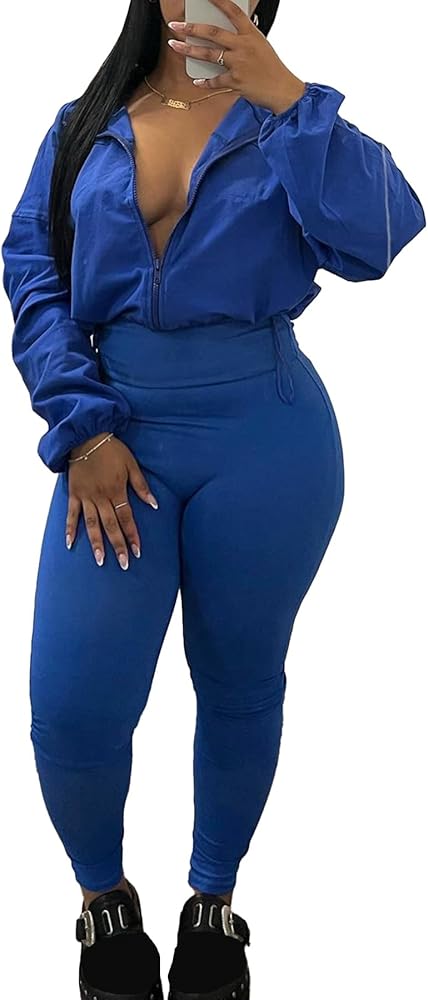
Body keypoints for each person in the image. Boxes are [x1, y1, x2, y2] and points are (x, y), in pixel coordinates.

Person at [1, 0, 425, 996]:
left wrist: (288, 99)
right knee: (73, 706)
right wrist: (83, 427)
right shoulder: (83, 123)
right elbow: (32, 273)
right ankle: (103, 900)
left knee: (238, 681)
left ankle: (213, 900)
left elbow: (380, 234)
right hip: (115, 439)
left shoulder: (291, 120)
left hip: (266, 442)